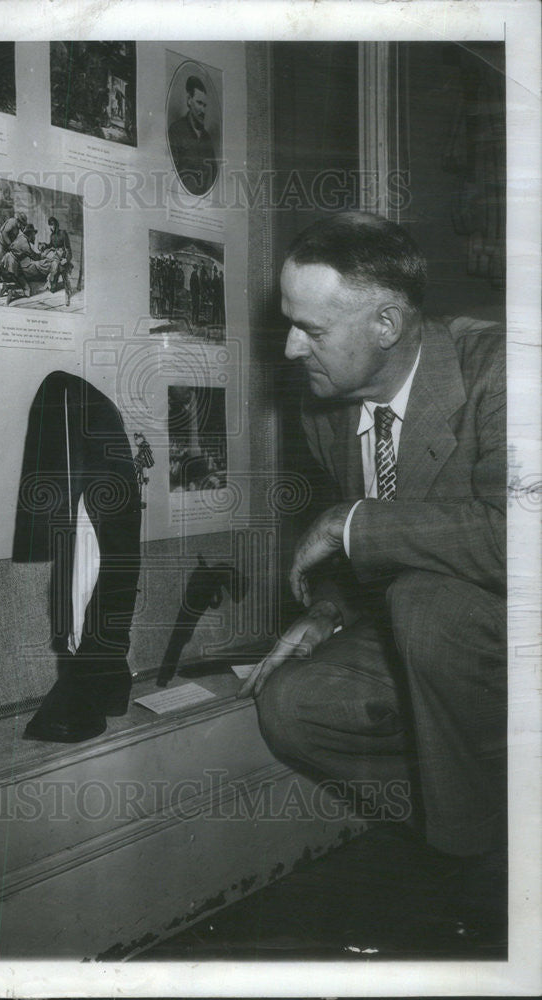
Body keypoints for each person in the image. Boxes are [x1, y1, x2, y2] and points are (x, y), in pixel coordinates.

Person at [239, 211, 506, 939]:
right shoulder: (326, 405)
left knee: (427, 606)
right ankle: (487, 826)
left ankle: (483, 865)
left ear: (386, 322)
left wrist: (348, 522)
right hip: (434, 641)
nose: (291, 348)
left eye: (312, 331)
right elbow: (365, 561)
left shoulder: (504, 370)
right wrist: (329, 608)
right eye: (290, 324)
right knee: (293, 707)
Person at [168, 74, 217, 197]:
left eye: (205, 105)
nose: (203, 111)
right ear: (189, 100)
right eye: (199, 103)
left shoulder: (207, 139)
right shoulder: (176, 131)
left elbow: (215, 176)